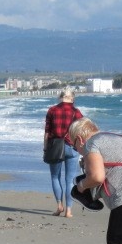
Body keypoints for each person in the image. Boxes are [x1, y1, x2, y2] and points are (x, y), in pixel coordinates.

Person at [44, 88, 83, 218]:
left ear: (60, 97)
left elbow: (47, 132)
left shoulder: (52, 110)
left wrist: (45, 148)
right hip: (72, 147)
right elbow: (81, 133)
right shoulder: (76, 112)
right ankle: (69, 211)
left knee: (55, 177)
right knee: (70, 180)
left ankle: (59, 205)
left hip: (55, 147)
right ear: (72, 98)